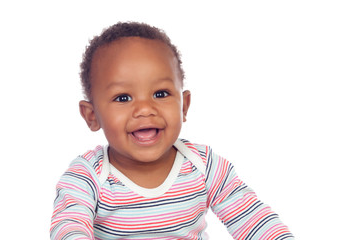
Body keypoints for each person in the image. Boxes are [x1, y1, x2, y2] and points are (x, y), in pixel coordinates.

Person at [50, 22, 294, 239]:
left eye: (160, 94)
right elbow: (69, 226)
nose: (145, 109)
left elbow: (252, 218)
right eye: (123, 98)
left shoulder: (204, 165)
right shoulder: (88, 177)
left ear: (184, 106)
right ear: (92, 116)